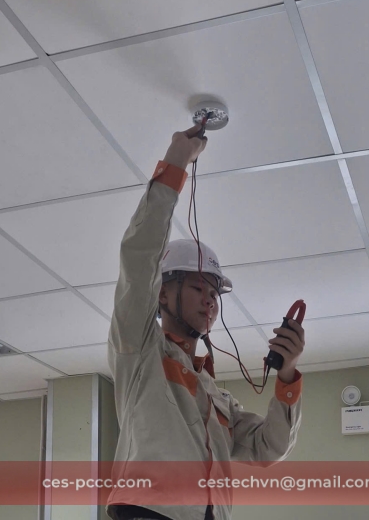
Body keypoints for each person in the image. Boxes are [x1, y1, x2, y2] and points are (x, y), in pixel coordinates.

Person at [106, 124, 305, 520]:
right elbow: (139, 258)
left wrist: (288, 376)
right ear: (163, 294)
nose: (210, 300)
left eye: (214, 294)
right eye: (198, 287)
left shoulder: (216, 396)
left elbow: (269, 448)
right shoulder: (140, 351)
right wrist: (176, 163)